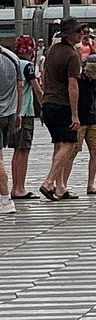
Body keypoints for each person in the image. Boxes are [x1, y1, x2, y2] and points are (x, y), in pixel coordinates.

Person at [39, 18, 83, 201]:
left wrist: (43, 103)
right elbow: (73, 86)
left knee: (59, 144)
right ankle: (49, 182)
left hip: (48, 102)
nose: (81, 34)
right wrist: (74, 113)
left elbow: (44, 76)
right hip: (62, 104)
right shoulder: (72, 56)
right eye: (78, 32)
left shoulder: (51, 51)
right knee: (69, 143)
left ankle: (60, 187)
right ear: (70, 35)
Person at [69, 54, 96, 196]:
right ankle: (63, 184)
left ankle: (91, 184)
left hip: (92, 120)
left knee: (95, 151)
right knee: (72, 151)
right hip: (80, 120)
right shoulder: (78, 80)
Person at [11, 37, 40, 201]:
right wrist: (44, 106)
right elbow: (36, 88)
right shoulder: (27, 67)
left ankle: (15, 186)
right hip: (25, 113)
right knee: (24, 150)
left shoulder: (13, 63)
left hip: (12, 112)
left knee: (16, 150)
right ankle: (19, 188)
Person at [0, 41, 24, 216]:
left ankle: (5, 199)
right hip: (8, 114)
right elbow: (20, 87)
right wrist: (17, 113)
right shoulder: (12, 57)